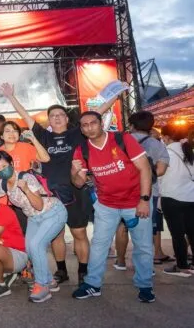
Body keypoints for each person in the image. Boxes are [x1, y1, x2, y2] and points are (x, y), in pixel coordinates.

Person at [1, 82, 119, 285]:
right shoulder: (43, 135)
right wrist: (11, 96)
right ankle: (61, 270)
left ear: (67, 118)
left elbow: (98, 112)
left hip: (75, 191)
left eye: (60, 114)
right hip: (50, 193)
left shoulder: (77, 133)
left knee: (79, 232)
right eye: (53, 115)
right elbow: (25, 116)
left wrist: (117, 95)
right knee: (56, 235)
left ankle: (83, 271)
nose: (56, 117)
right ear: (49, 120)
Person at [70, 111, 155, 303]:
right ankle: (93, 284)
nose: (89, 127)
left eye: (93, 123)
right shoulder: (82, 150)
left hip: (135, 201)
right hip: (107, 204)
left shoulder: (122, 139)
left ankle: (145, 285)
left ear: (101, 124)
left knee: (142, 246)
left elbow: (145, 168)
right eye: (84, 125)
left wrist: (144, 199)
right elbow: (78, 183)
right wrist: (75, 172)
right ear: (81, 130)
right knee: (99, 244)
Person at [0, 151, 66, 302]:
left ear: (11, 164)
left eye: (4, 166)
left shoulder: (26, 178)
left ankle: (42, 286)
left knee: (36, 245)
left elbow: (39, 205)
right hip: (34, 218)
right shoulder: (3, 184)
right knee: (30, 249)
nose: (2, 170)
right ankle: (49, 280)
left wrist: (26, 190)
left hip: (52, 212)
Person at [114, 111, 170, 271]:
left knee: (122, 227)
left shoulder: (121, 141)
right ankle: (146, 267)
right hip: (149, 193)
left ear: (131, 125)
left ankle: (120, 261)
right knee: (145, 231)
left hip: (123, 191)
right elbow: (161, 170)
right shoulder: (157, 144)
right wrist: (145, 172)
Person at [159, 126, 194, 277]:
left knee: (177, 234)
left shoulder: (166, 153)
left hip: (172, 198)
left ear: (167, 137)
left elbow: (159, 173)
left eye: (163, 137)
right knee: (192, 232)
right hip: (191, 197)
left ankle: (182, 266)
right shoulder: (189, 150)